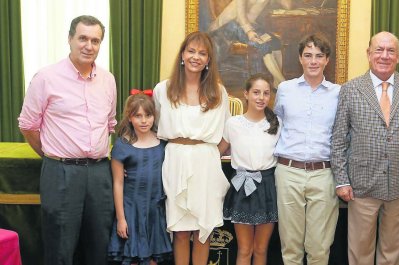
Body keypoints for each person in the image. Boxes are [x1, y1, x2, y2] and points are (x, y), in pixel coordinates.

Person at [18, 15, 115, 265]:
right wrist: (53, 156)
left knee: (99, 247)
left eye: (95, 40)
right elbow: (28, 126)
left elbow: (110, 124)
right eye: (83, 38)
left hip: (100, 174)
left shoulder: (108, 80)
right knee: (60, 248)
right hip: (60, 172)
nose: (88, 46)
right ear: (70, 39)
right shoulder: (46, 77)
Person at [331, 31, 399, 265]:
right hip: (361, 185)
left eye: (391, 50)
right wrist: (342, 180)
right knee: (360, 251)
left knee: (391, 250)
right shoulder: (351, 89)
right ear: (368, 54)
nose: (385, 55)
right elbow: (338, 139)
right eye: (379, 50)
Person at [153, 31, 230, 265]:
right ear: (182, 55)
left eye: (202, 53)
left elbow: (227, 134)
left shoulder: (218, 92)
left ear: (208, 60)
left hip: (206, 162)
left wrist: (209, 156)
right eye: (191, 51)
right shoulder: (163, 90)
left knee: (202, 230)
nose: (196, 57)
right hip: (175, 159)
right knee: (181, 230)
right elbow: (154, 127)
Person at [273, 33, 340, 265]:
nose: (313, 61)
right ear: (300, 59)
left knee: (319, 247)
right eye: (308, 55)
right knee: (290, 247)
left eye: (319, 56)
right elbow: (276, 125)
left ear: (326, 60)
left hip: (324, 173)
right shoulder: (285, 89)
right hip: (288, 172)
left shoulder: (338, 93)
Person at [217, 73, 281, 265]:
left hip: (267, 186)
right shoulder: (233, 124)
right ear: (246, 93)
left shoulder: (276, 124)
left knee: (261, 249)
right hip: (241, 187)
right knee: (245, 249)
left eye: (266, 93)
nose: (261, 97)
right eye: (256, 92)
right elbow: (215, 154)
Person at [107, 93, 172, 264]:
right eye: (138, 116)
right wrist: (121, 219)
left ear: (154, 116)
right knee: (133, 256)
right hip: (131, 211)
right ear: (130, 117)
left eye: (148, 115)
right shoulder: (122, 145)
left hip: (156, 210)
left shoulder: (163, 143)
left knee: (153, 258)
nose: (144, 121)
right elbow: (118, 183)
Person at [208, 0, 292, 87]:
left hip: (249, 25)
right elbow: (241, 15)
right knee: (263, 44)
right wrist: (249, 32)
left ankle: (277, 82)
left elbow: (288, 6)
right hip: (228, 26)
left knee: (275, 42)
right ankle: (282, 82)